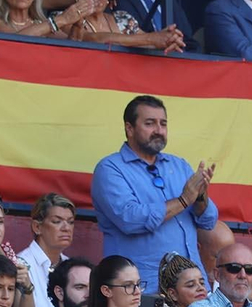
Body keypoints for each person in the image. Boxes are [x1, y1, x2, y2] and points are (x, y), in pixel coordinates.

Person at [90, 96, 216, 291]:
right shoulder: (110, 169)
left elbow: (209, 220)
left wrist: (200, 195)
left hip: (193, 291)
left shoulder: (179, 165)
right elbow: (130, 219)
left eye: (163, 124)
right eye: (150, 123)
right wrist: (183, 200)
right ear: (129, 128)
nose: (159, 130)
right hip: (141, 292)